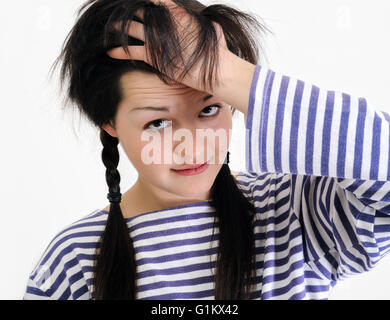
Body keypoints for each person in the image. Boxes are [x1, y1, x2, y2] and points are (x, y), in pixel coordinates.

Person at [23, 0, 390, 300]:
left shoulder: (293, 211)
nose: (191, 145)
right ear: (110, 123)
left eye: (209, 108)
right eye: (158, 123)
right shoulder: (73, 259)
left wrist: (226, 74)